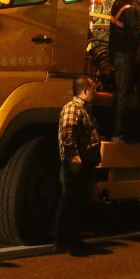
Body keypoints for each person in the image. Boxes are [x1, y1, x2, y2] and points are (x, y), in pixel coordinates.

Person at [55, 75, 101, 254]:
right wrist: (73, 157)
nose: (95, 92)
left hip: (84, 164)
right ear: (84, 90)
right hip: (76, 165)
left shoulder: (85, 109)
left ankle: (74, 240)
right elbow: (67, 134)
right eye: (93, 89)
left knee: (76, 203)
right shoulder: (73, 109)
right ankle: (66, 242)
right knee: (70, 202)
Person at [109, 0, 140, 141]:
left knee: (118, 92)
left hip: (116, 54)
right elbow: (137, 35)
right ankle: (120, 132)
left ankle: (116, 130)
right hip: (125, 56)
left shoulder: (117, 5)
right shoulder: (130, 10)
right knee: (125, 93)